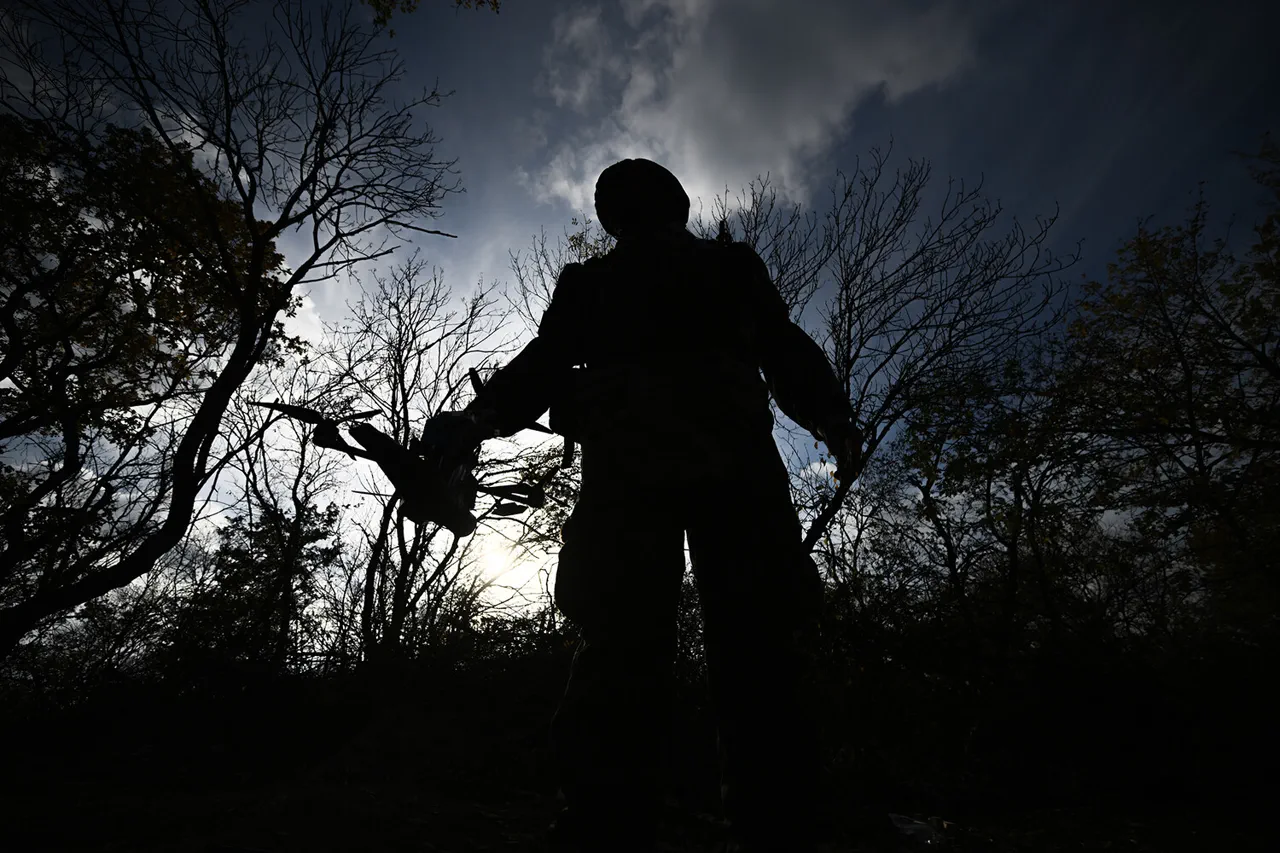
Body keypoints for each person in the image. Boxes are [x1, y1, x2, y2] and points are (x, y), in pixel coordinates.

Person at [457, 159, 862, 853]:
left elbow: (779, 344)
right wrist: (482, 416)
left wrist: (830, 414)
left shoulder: (724, 267)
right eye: (622, 201)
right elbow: (548, 360)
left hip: (712, 460)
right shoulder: (595, 282)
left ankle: (761, 818)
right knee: (637, 636)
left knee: (745, 636)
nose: (633, 210)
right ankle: (618, 818)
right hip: (646, 463)